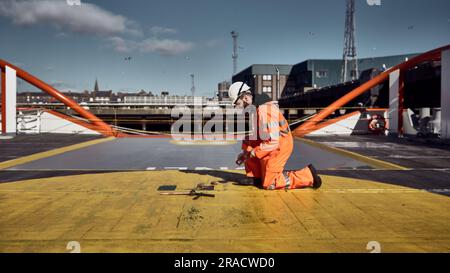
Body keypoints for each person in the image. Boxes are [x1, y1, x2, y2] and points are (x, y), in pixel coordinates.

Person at [229, 82, 322, 190]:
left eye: (237, 103)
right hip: (269, 143)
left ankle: (308, 175)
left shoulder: (265, 110)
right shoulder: (254, 110)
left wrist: (254, 152)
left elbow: (273, 142)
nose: (237, 107)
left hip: (280, 145)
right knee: (248, 145)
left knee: (271, 183)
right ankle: (255, 177)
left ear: (245, 98)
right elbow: (254, 135)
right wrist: (245, 153)